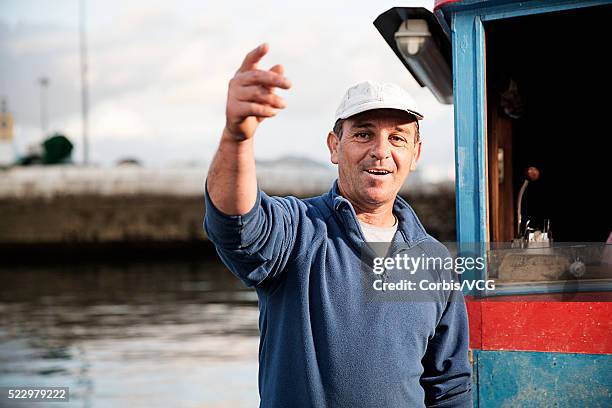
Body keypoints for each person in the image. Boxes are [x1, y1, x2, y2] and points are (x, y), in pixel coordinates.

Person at [204, 43, 473, 408]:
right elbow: (237, 225)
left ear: (415, 155)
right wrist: (237, 137)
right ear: (334, 147)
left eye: (397, 138)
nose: (381, 150)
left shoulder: (433, 259)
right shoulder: (297, 231)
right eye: (363, 134)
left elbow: (449, 386)